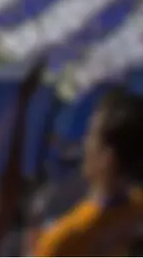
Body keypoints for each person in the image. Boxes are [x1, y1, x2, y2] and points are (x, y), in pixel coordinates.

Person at [34, 87, 143, 256]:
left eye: (91, 135)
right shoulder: (137, 212)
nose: (84, 144)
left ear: (107, 159)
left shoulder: (63, 241)